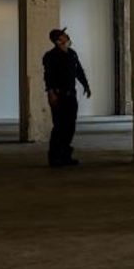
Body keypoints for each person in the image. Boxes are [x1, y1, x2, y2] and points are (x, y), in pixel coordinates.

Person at [43, 28, 91, 167]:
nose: (67, 36)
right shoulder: (50, 56)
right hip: (59, 96)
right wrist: (51, 93)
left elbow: (79, 71)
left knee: (70, 126)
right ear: (58, 40)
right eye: (64, 35)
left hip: (71, 95)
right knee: (59, 126)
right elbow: (48, 76)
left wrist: (86, 85)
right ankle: (54, 157)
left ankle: (65, 155)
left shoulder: (72, 54)